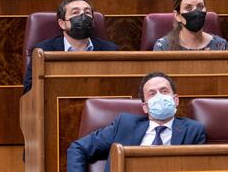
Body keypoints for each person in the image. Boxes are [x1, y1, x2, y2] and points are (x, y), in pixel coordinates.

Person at [67, 71, 206, 171]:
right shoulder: (125, 124)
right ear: (145, 107)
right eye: (152, 94)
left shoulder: (193, 130)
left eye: (164, 91)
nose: (159, 97)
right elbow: (78, 148)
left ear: (176, 100)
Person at [23, 0, 118, 93]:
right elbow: (29, 91)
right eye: (75, 12)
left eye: (87, 12)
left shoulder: (111, 50)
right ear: (62, 23)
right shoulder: (43, 51)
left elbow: (118, 88)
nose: (82, 16)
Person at [153, 0, 228, 50]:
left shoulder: (221, 46)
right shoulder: (163, 47)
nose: (196, 12)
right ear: (177, 15)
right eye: (188, 8)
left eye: (200, 7)